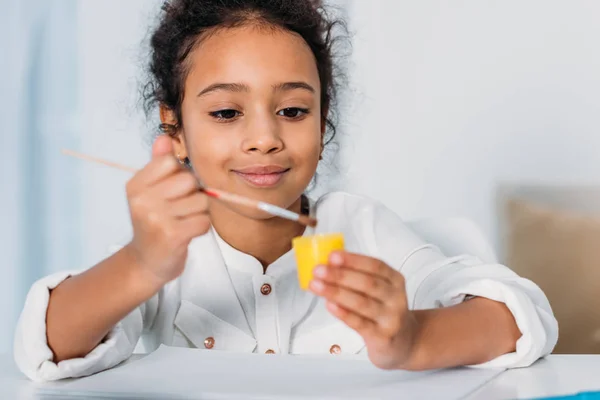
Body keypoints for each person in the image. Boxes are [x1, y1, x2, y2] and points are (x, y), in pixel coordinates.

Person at [14, 0, 557, 382]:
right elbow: (46, 350)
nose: (264, 139)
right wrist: (140, 264)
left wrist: (414, 336)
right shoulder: (164, 250)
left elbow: (520, 317)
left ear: (323, 127)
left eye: (293, 111)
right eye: (226, 112)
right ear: (175, 129)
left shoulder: (360, 228)